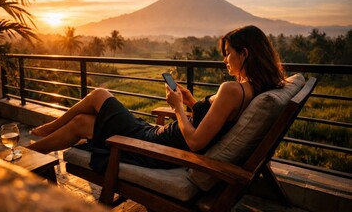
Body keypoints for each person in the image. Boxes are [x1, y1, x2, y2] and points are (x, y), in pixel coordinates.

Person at [27, 25, 286, 173]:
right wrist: (191, 102)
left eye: (228, 53)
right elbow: (214, 124)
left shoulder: (232, 89)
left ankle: (40, 138)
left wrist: (177, 109)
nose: (225, 59)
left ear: (246, 53)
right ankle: (28, 156)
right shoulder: (250, 90)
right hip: (164, 137)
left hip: (160, 145)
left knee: (99, 94)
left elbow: (195, 142)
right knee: (81, 123)